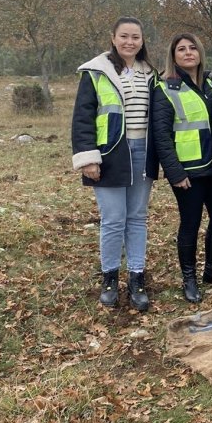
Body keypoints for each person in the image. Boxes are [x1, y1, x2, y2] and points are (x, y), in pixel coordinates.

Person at [71, 16, 158, 311]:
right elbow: (83, 118)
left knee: (137, 217)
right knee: (113, 219)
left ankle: (136, 277)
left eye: (135, 37)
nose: (130, 42)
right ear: (113, 38)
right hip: (110, 154)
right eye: (124, 36)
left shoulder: (150, 73)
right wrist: (88, 158)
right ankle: (109, 278)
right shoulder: (96, 72)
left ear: (142, 41)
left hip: (143, 151)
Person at [151, 33, 212, 304]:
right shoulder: (166, 87)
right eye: (181, 49)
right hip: (188, 171)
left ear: (200, 52)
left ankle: (211, 270)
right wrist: (175, 172)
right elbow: (161, 135)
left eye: (192, 48)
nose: (188, 53)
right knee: (190, 223)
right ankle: (188, 278)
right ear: (173, 55)